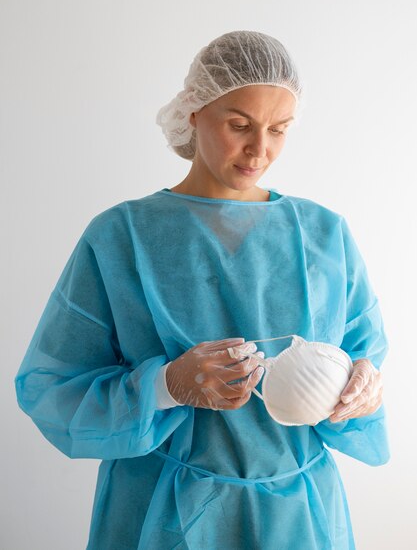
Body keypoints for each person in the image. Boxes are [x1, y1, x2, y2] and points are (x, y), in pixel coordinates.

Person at [15, 30, 389, 550]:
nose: (260, 149)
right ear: (194, 112)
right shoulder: (122, 237)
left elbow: (359, 351)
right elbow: (54, 387)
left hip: (298, 516)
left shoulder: (323, 235)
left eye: (279, 129)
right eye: (240, 125)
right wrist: (168, 385)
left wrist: (364, 387)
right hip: (163, 513)